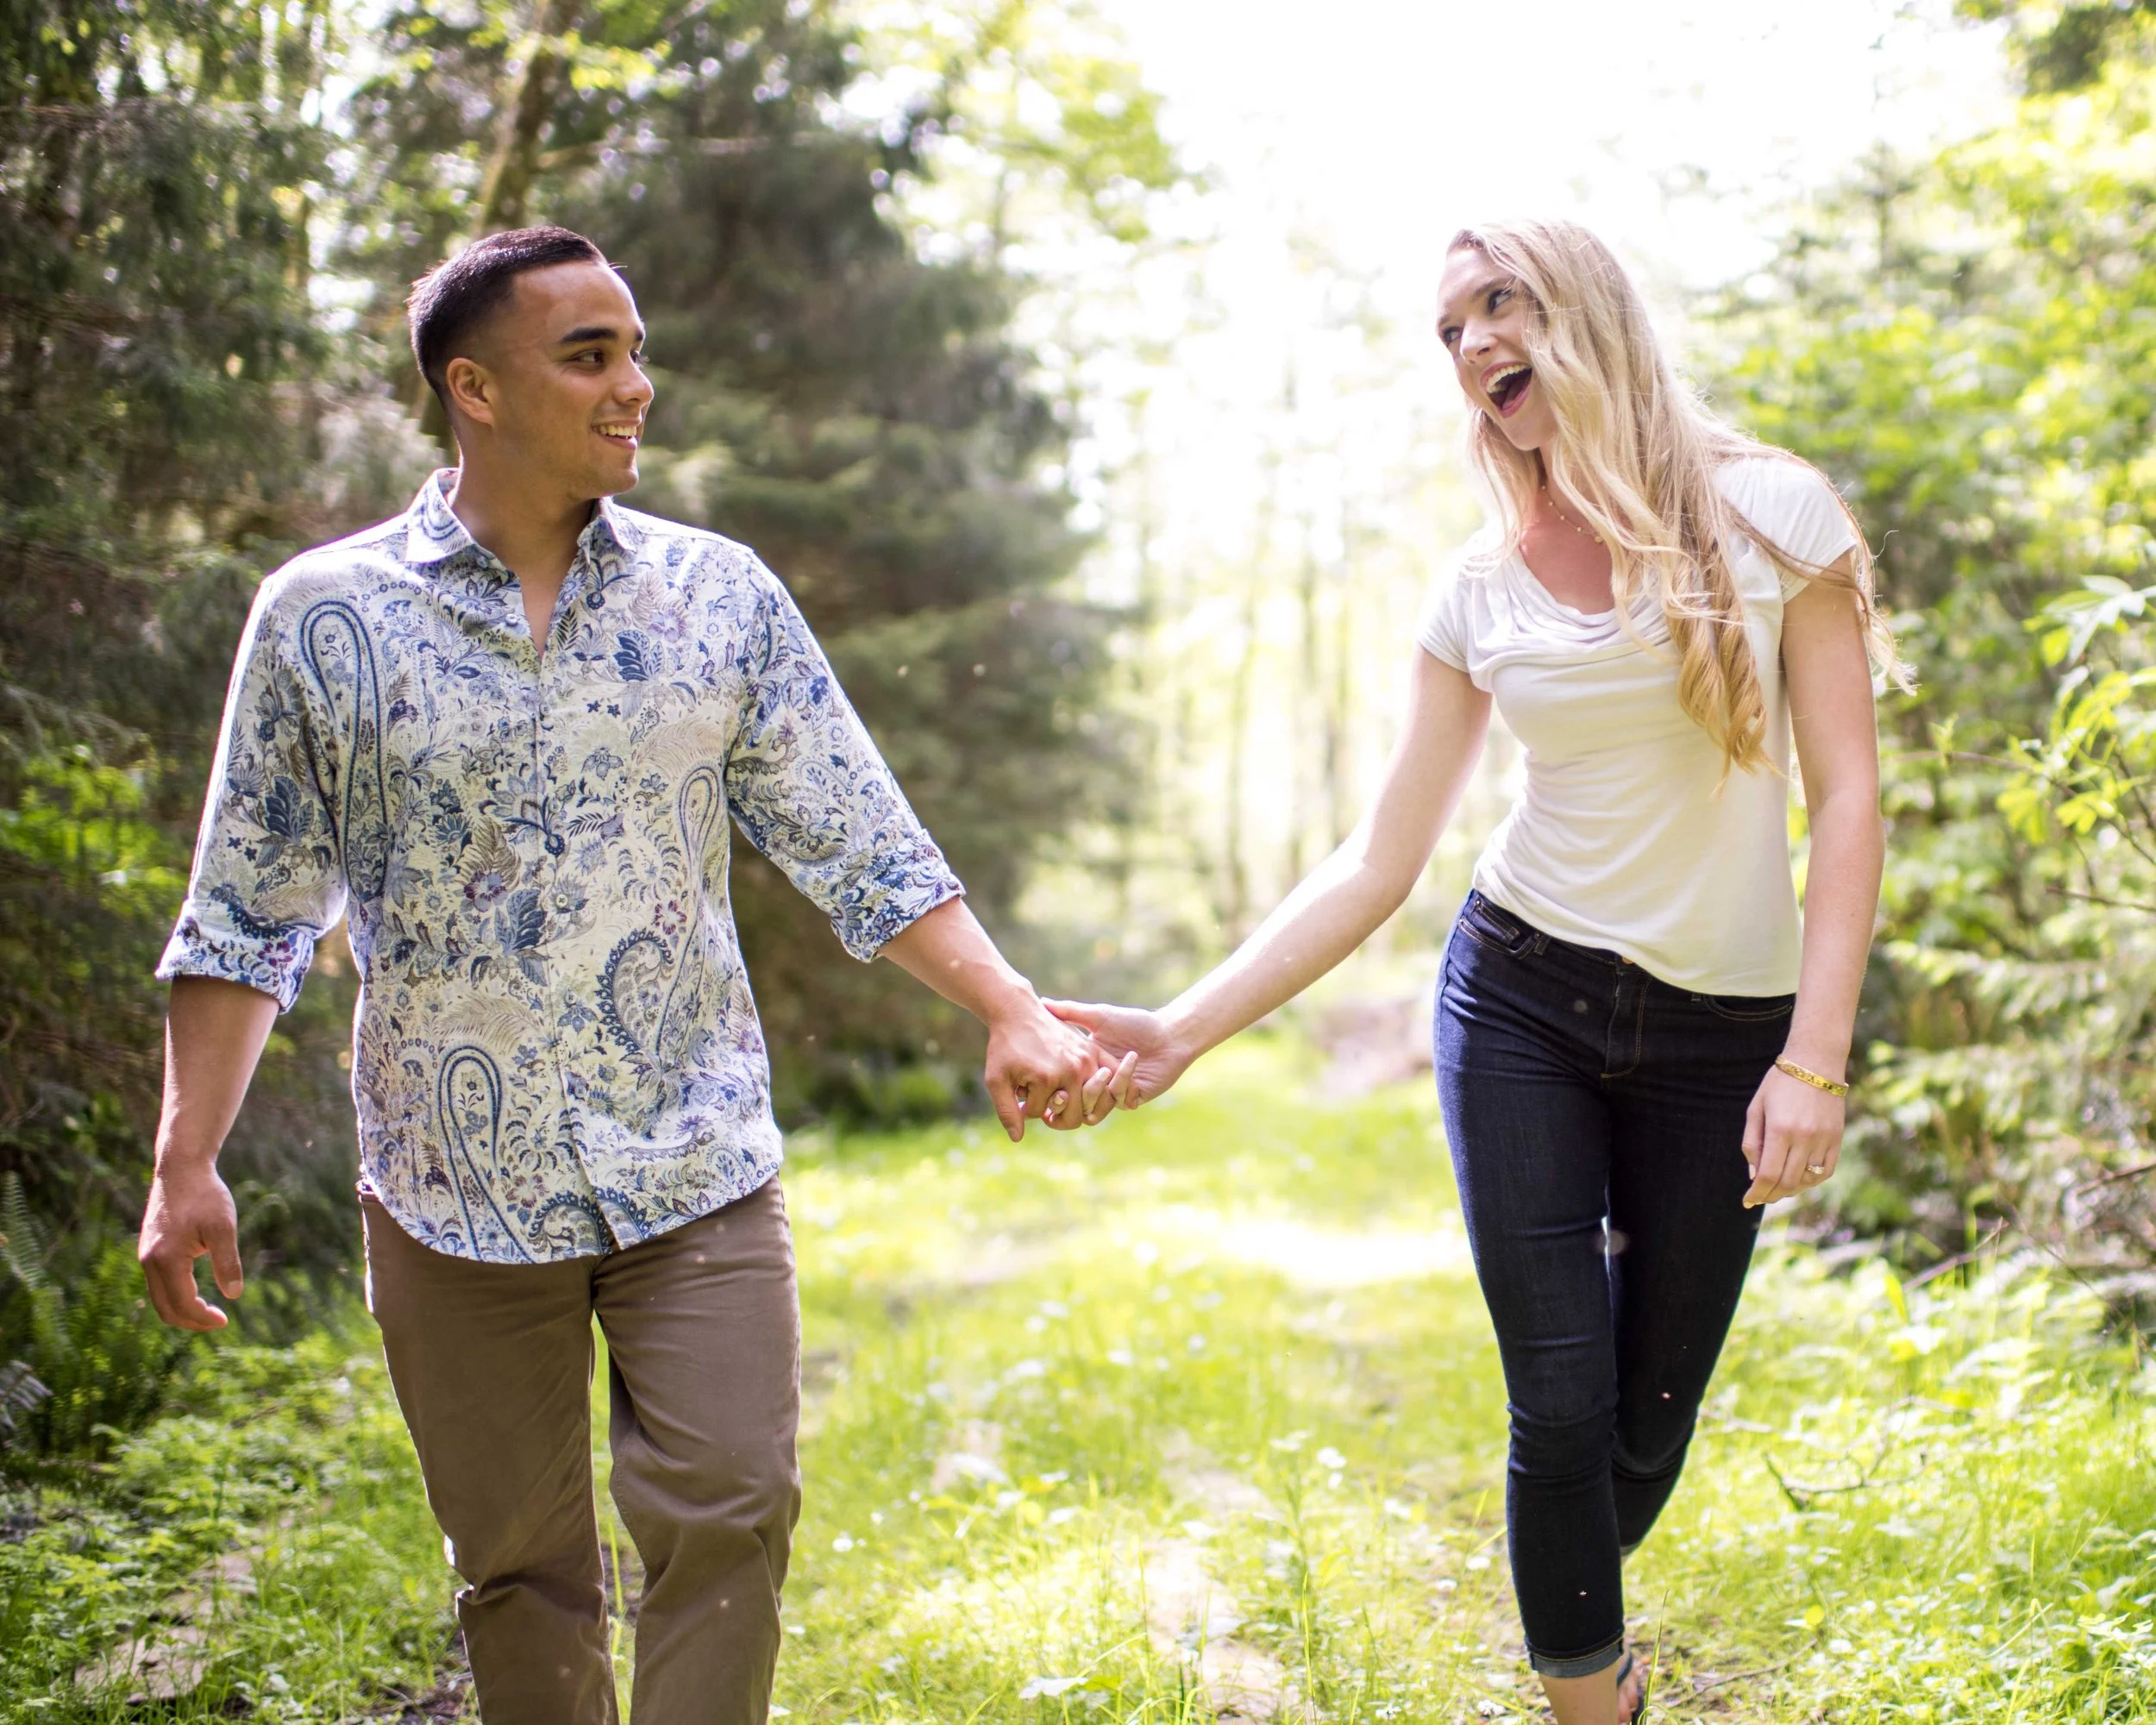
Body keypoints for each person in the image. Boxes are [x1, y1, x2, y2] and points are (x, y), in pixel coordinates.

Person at [136, 225, 1130, 1725]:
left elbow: (857, 835)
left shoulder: (718, 599)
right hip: (450, 1187)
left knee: (733, 1508)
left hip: (697, 1164)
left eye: (638, 350)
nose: (636, 387)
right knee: (520, 1572)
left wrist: (1008, 1007)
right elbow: (248, 908)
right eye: (590, 355)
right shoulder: (322, 619)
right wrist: (183, 1157)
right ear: (473, 388)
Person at [1050, 218, 1901, 1725]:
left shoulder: (1776, 517)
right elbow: (1377, 862)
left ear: (1583, 311)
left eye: (1497, 305)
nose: (1471, 346)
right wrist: (1182, 1031)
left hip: (1729, 1037)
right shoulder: (1476, 590)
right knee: (1560, 1402)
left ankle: (1570, 1561)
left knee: (1643, 1428)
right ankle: (1595, 1694)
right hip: (1522, 1000)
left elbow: (1846, 797)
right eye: (1449, 329)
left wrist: (1816, 1058)